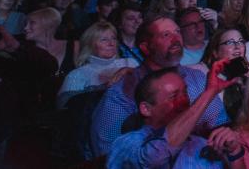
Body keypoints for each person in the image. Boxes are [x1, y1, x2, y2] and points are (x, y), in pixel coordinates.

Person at [89, 16, 229, 158]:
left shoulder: (196, 78)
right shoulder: (123, 92)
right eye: (166, 35)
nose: (176, 39)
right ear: (146, 47)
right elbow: (108, 153)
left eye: (177, 32)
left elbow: (220, 125)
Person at [107, 62, 244, 169]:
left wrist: (235, 152)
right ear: (146, 109)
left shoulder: (200, 143)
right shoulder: (127, 143)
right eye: (173, 96)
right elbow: (154, 157)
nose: (184, 101)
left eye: (185, 93)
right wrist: (210, 92)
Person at [58, 21, 139, 108]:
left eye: (114, 38)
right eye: (104, 40)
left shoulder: (130, 62)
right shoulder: (78, 75)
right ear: (90, 45)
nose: (111, 43)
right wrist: (103, 88)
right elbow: (64, 107)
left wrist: (129, 71)